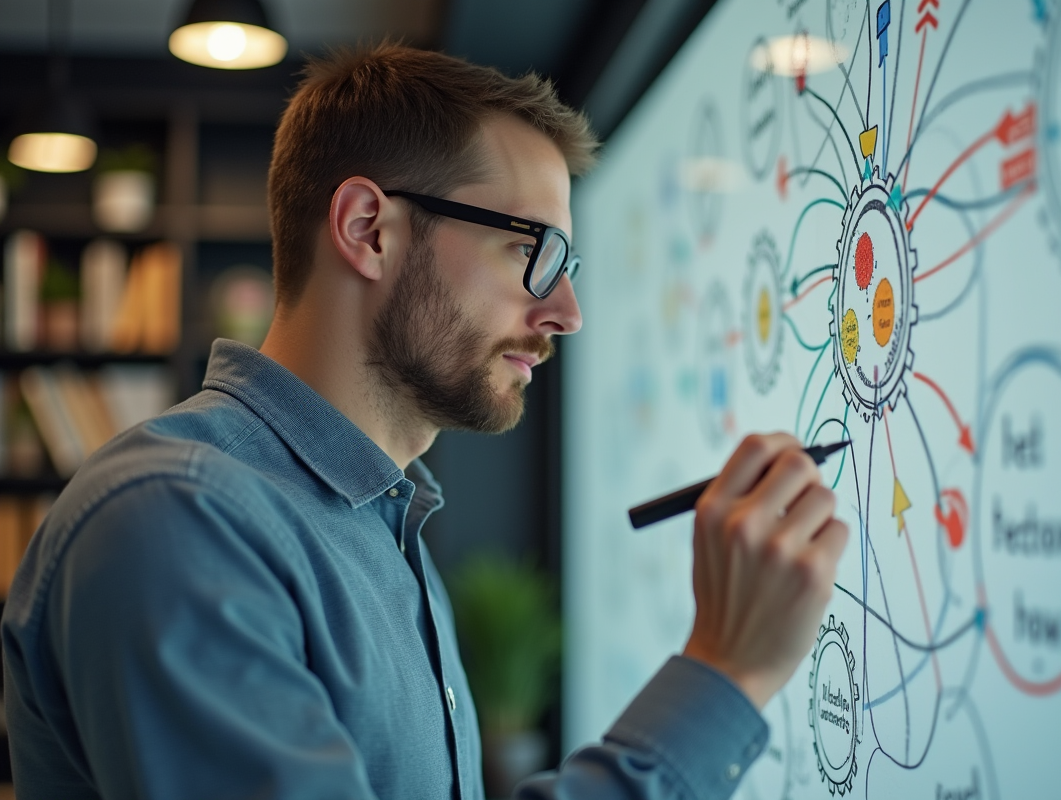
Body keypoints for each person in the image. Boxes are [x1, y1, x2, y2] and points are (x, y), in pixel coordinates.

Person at [1, 43, 849, 800]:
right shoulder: (176, 517)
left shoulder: (380, 525)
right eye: (534, 252)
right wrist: (722, 675)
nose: (567, 312)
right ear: (369, 230)